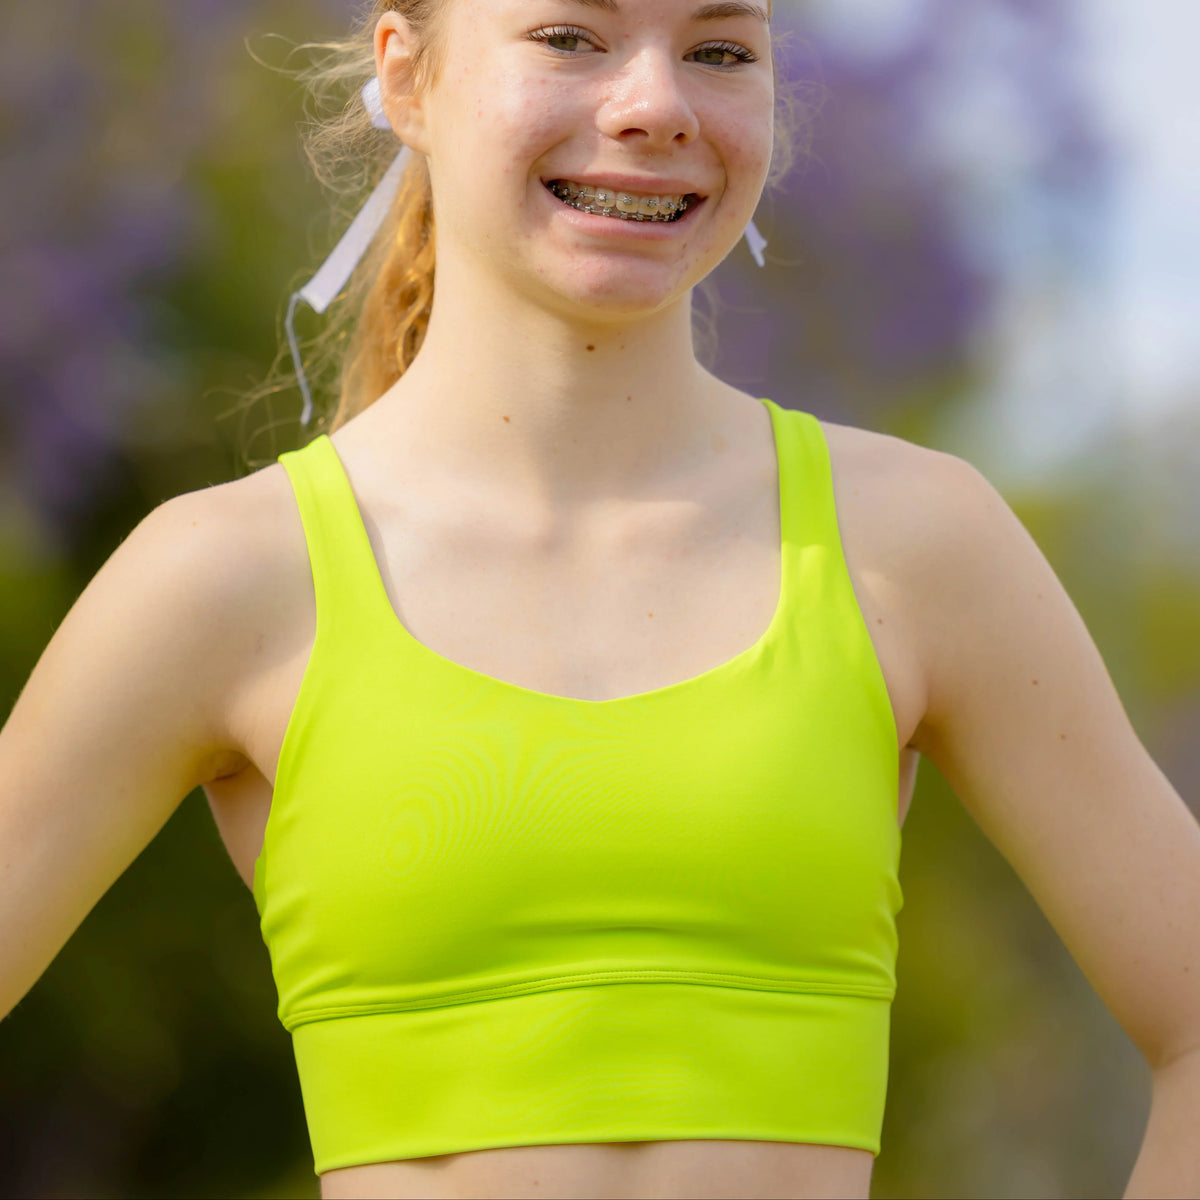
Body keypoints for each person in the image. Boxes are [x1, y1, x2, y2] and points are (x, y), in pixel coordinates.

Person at [3, 2, 1198, 1198]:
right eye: (571, 37)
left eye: (720, 51)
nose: (655, 105)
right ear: (408, 78)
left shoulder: (917, 545)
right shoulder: (225, 575)